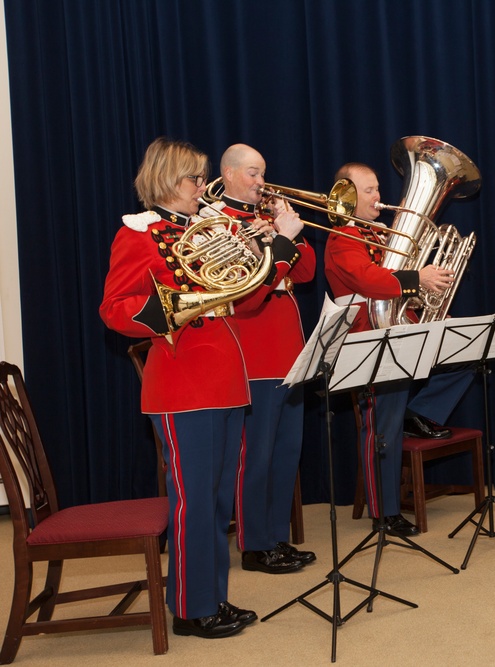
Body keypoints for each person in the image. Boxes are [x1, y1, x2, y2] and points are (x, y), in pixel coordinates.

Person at [100, 137, 257, 638]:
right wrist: (175, 308)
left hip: (228, 378)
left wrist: (257, 256)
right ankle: (192, 609)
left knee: (215, 501)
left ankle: (212, 596)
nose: (201, 187)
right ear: (170, 180)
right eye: (195, 179)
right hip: (183, 382)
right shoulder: (140, 235)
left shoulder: (204, 228)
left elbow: (244, 302)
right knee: (193, 499)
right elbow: (115, 308)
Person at [324, 161, 475, 537]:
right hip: (368, 342)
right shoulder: (342, 237)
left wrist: (433, 304)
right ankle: (384, 511)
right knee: (382, 428)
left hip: (400, 328)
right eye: (370, 190)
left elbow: (399, 283)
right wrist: (416, 277)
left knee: (469, 350)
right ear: (346, 196)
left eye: (378, 188)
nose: (379, 196)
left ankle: (418, 412)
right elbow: (369, 280)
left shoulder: (381, 235)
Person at [210, 143, 317, 574]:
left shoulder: (265, 219)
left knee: (286, 450)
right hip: (253, 352)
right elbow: (245, 287)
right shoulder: (217, 223)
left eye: (263, 173)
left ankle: (276, 536)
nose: (261, 182)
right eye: (253, 173)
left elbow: (306, 272)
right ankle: (255, 544)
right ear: (230, 174)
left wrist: (289, 232)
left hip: (290, 352)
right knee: (256, 455)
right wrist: (276, 247)